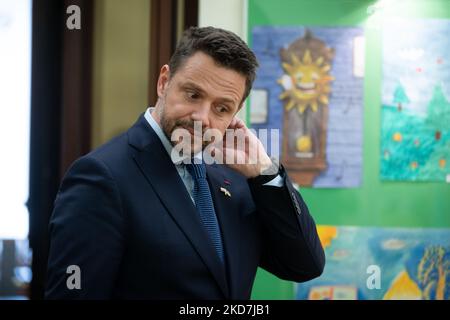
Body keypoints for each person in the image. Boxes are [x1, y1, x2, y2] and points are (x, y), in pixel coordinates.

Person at [45, 26, 325, 299]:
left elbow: (304, 265)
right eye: (193, 95)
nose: (202, 118)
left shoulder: (237, 175)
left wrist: (265, 172)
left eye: (222, 108)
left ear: (236, 113)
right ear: (164, 82)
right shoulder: (101, 176)